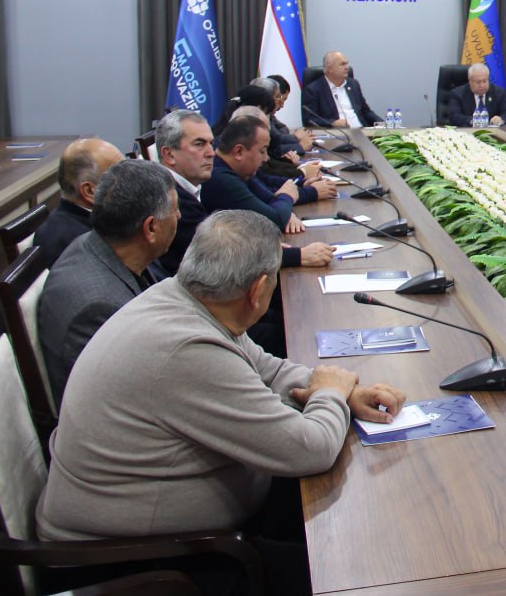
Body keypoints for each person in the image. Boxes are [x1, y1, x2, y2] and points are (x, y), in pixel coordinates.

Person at [36, 210, 405, 594]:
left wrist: (343, 390)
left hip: (174, 531)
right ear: (259, 289)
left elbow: (265, 368)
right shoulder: (186, 348)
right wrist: (329, 393)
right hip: (127, 564)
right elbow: (310, 450)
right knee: (355, 576)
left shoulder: (189, 299)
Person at [38, 161, 178, 405]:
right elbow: (140, 394)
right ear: (151, 227)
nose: (179, 216)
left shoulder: (93, 242)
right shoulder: (99, 308)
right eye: (174, 210)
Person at [156, 109, 332, 275]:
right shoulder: (172, 199)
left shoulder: (191, 188)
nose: (210, 153)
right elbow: (217, 256)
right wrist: (298, 255)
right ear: (169, 155)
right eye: (199, 144)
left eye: (210, 143)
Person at [33, 137, 125, 268]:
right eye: (122, 177)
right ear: (90, 191)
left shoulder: (100, 217)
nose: (132, 182)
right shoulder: (72, 243)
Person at [301, 50, 382, 127]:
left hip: (362, 131)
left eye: (347, 64)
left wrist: (382, 123)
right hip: (337, 135)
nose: (347, 67)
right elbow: (310, 120)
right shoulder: (313, 90)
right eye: (342, 64)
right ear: (329, 69)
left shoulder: (353, 84)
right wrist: (333, 123)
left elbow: (365, 111)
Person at [445, 62, 506, 127]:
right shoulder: (457, 94)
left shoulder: (499, 93)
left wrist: (501, 120)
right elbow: (454, 117)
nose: (482, 85)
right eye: (478, 82)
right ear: (470, 81)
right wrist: (474, 121)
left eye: (485, 81)